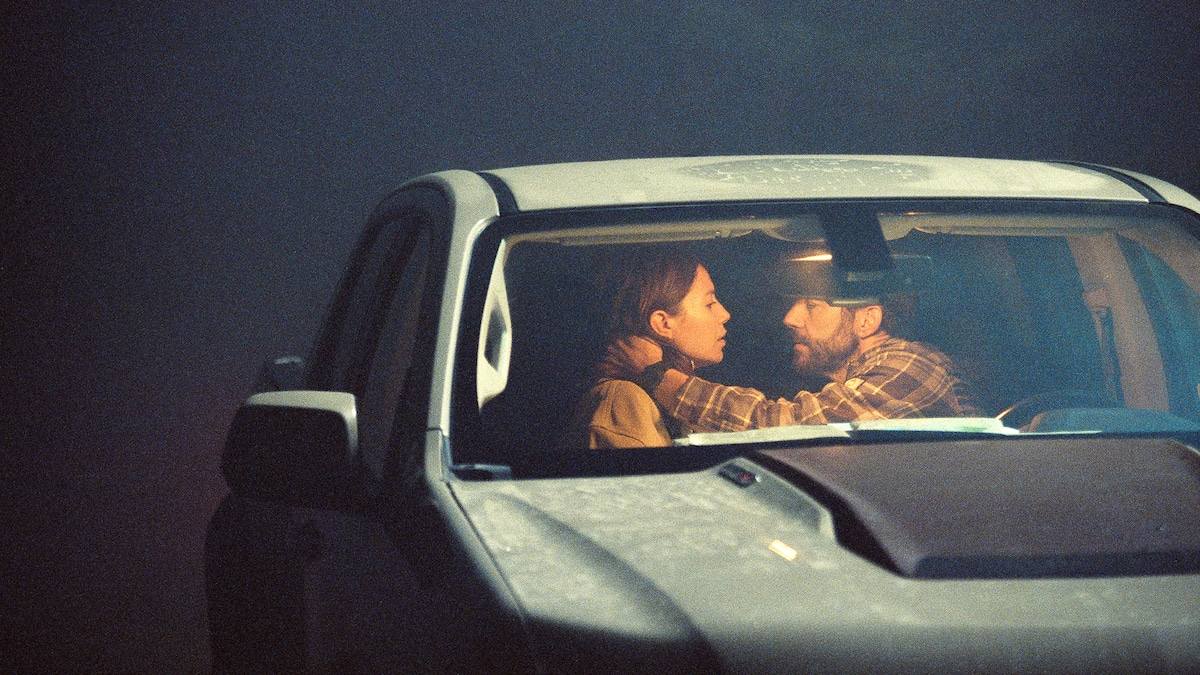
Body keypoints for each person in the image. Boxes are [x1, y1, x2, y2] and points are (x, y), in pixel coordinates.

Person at [608, 249, 979, 433]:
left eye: (812, 305)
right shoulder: (863, 381)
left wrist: (658, 374)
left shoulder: (911, 364)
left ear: (867, 320)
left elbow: (784, 426)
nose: (790, 318)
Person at [561, 249, 731, 448]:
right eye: (709, 303)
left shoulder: (652, 401)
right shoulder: (624, 400)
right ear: (663, 323)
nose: (725, 314)